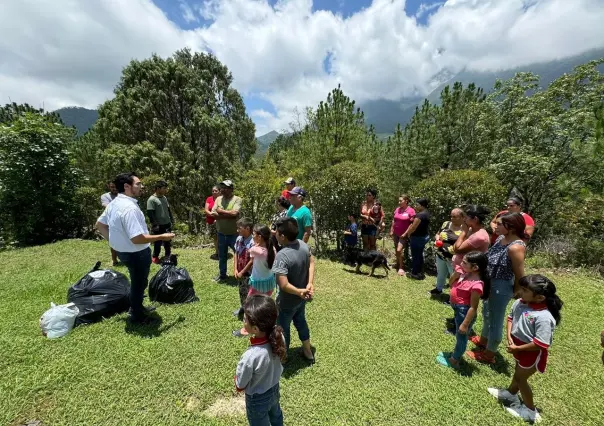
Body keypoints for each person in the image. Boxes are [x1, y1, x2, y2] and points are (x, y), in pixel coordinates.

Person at [95, 173, 174, 324]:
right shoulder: (129, 208)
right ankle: (137, 316)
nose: (142, 186)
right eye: (138, 184)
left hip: (124, 252)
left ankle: (137, 307)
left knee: (138, 282)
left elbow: (100, 224)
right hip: (136, 253)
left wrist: (114, 243)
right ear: (127, 186)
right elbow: (137, 238)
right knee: (139, 284)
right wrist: (162, 236)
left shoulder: (114, 203)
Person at [487, 275, 563, 423]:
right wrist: (509, 336)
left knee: (522, 378)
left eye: (525, 290)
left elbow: (541, 343)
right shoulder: (520, 303)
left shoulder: (544, 317)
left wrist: (519, 348)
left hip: (531, 353)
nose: (520, 292)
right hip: (518, 348)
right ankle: (511, 393)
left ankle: (530, 411)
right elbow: (510, 318)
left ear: (540, 298)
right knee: (517, 371)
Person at [467, 212, 527, 364]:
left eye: (500, 224)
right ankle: (483, 340)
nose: (495, 226)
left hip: (501, 285)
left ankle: (489, 354)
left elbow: (520, 274)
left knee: (496, 319)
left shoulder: (516, 247)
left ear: (511, 227)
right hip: (490, 282)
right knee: (487, 312)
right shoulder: (501, 238)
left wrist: (517, 291)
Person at [235, 294, 285, 426]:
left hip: (257, 400)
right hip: (274, 389)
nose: (243, 321)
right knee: (276, 417)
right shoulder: (280, 338)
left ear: (255, 329)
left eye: (245, 319)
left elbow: (240, 385)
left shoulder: (250, 356)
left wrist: (238, 382)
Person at [436, 251, 490, 369]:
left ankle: (454, 360)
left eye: (465, 262)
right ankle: (455, 354)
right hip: (458, 309)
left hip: (464, 312)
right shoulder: (465, 274)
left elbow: (473, 307)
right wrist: (455, 274)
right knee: (459, 337)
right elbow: (450, 284)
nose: (461, 263)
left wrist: (465, 324)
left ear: (475, 267)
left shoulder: (477, 285)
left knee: (461, 337)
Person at [272, 217, 315, 362]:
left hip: (287, 302)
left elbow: (283, 285)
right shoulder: (303, 244)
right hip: (300, 300)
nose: (275, 234)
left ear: (282, 236)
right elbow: (311, 262)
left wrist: (299, 291)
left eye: (276, 232)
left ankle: (283, 358)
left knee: (283, 329)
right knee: (301, 322)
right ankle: (308, 351)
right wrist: (309, 284)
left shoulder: (282, 256)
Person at [233, 224, 277, 337]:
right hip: (269, 282)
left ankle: (246, 330)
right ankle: (264, 324)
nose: (252, 236)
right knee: (263, 304)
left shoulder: (256, 250)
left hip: (257, 283)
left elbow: (249, 251)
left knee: (249, 305)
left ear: (260, 237)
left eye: (254, 234)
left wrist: (256, 244)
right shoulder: (272, 248)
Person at [211, 180, 242, 282]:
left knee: (239, 254)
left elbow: (235, 214)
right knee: (222, 255)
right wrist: (228, 215)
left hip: (234, 234)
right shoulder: (218, 199)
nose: (223, 190)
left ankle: (241, 274)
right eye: (222, 188)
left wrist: (221, 212)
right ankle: (222, 275)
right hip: (221, 233)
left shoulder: (237, 199)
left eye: (226, 188)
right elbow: (213, 214)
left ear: (231, 189)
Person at [429, 208, 464, 295]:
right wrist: (437, 239)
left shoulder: (465, 229)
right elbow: (438, 233)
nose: (452, 218)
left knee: (454, 277)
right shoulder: (446, 223)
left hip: (454, 258)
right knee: (441, 273)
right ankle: (438, 289)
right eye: (451, 216)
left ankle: (453, 295)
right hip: (441, 255)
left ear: (462, 217)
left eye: (455, 217)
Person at [402, 198, 431, 280]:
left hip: (417, 238)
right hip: (423, 237)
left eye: (417, 205)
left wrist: (408, 234)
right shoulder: (427, 213)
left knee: (416, 256)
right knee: (419, 255)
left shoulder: (420, 215)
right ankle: (419, 272)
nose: (415, 206)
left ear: (422, 205)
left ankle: (415, 273)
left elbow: (413, 227)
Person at [147, 180, 174, 264]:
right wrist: (155, 225)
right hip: (158, 225)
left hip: (167, 223)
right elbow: (150, 213)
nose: (166, 190)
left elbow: (168, 209)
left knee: (167, 242)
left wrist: (171, 219)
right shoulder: (151, 199)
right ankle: (155, 257)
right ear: (158, 188)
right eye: (164, 188)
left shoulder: (164, 198)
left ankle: (167, 256)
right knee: (157, 243)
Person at [233, 218, 254, 322]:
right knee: (241, 291)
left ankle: (249, 313)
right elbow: (236, 253)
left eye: (239, 228)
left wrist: (243, 272)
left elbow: (252, 261)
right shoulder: (239, 239)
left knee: (249, 293)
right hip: (240, 272)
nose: (237, 230)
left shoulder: (253, 242)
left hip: (249, 273)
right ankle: (243, 307)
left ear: (247, 228)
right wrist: (235, 269)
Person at [390, 195, 416, 276]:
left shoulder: (411, 210)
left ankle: (401, 267)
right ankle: (398, 264)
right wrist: (391, 230)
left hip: (403, 235)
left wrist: (405, 233)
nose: (399, 202)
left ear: (406, 201)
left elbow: (412, 224)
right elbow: (394, 220)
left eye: (400, 201)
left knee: (399, 250)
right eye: (399, 201)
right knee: (396, 249)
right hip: (396, 233)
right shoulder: (397, 209)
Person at [100, 181, 119, 266]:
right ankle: (114, 260)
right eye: (112, 187)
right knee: (113, 241)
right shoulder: (105, 196)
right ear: (109, 187)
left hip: (123, 221)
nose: (114, 188)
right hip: (111, 221)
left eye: (115, 187)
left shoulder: (122, 195)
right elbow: (107, 206)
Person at [204, 185, 220, 260]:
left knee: (220, 237)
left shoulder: (221, 199)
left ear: (219, 191)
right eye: (213, 191)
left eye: (216, 190)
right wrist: (211, 214)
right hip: (211, 222)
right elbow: (206, 209)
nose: (214, 192)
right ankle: (217, 252)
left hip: (220, 222)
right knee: (215, 238)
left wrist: (217, 218)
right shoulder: (209, 199)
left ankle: (221, 252)